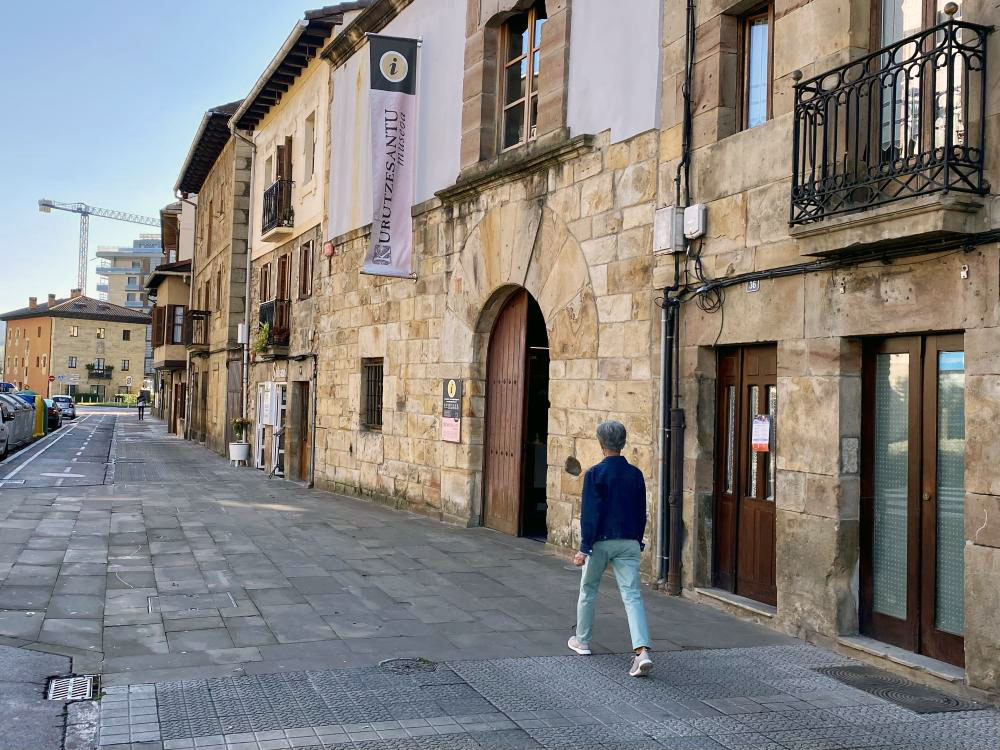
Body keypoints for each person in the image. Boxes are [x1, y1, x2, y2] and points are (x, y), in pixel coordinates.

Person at [568, 420, 653, 677]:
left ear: (601, 443)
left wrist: (584, 548)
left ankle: (582, 641)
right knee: (632, 596)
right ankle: (642, 652)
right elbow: (641, 511)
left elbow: (590, 514)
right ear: (623, 443)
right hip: (629, 540)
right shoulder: (635, 474)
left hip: (600, 542)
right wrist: (637, 540)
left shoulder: (595, 474)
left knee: (588, 590)